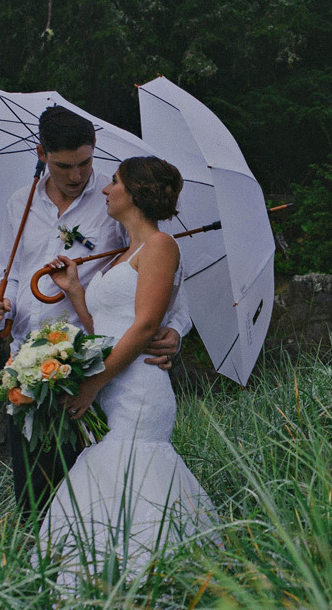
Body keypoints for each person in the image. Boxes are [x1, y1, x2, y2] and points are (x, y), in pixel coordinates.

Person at [0, 106, 190, 519]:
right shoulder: (18, 205)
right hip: (27, 372)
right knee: (35, 503)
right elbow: (11, 277)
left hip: (94, 374)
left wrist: (176, 332)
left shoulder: (114, 205)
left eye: (86, 163)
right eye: (64, 166)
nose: (77, 176)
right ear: (41, 154)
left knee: (99, 501)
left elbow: (167, 293)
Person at [36, 155, 216, 582]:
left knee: (134, 483)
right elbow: (108, 331)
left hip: (137, 391)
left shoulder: (160, 246)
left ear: (134, 192)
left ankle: (149, 589)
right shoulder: (125, 255)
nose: (104, 188)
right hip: (115, 385)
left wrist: (92, 386)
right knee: (112, 493)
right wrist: (77, 293)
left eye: (113, 181)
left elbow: (147, 325)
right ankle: (108, 591)